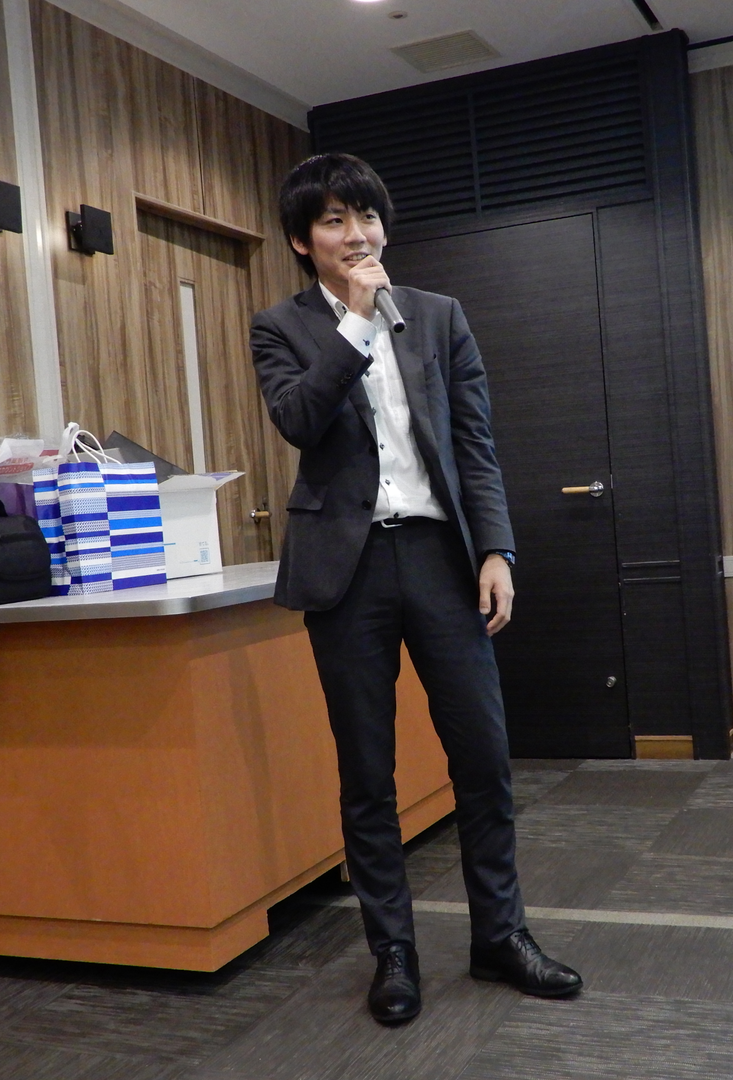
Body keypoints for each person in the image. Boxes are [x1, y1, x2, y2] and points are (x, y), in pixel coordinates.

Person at [250, 154, 583, 1024]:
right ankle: (392, 953)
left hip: (440, 555)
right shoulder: (280, 327)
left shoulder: (439, 316)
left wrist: (497, 549)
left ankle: (500, 936)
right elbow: (298, 421)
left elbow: (475, 442)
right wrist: (357, 324)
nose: (355, 233)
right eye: (333, 220)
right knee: (368, 772)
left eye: (365, 216)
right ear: (302, 241)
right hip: (347, 568)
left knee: (483, 756)